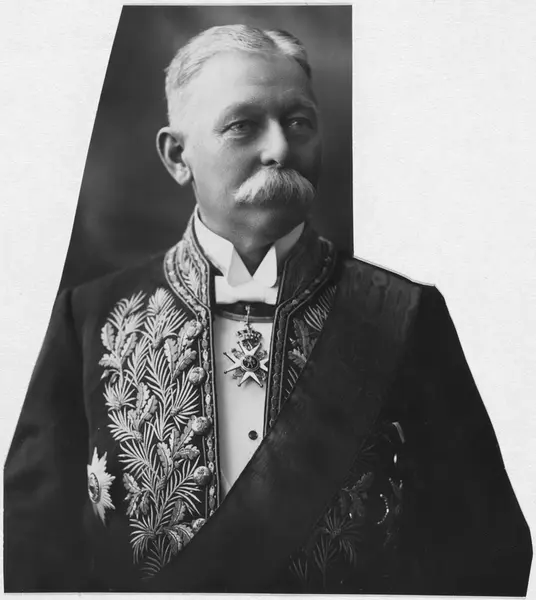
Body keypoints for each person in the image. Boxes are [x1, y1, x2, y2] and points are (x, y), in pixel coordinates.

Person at [3, 24, 532, 594]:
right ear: (178, 156)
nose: (280, 148)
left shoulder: (404, 316)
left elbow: (487, 548)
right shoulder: (90, 319)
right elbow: (30, 551)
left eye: (299, 122)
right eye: (243, 125)